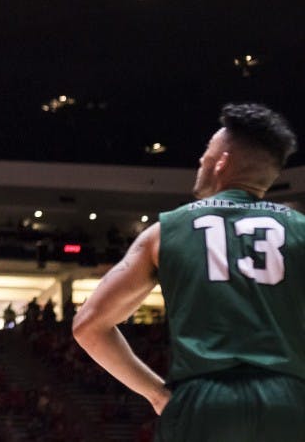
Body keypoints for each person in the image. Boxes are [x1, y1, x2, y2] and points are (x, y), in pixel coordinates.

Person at [73, 103, 304, 441]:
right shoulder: (300, 228)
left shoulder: (165, 232)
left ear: (221, 163)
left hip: (203, 400)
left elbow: (89, 326)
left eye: (206, 154)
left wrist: (157, 394)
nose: (200, 161)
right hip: (289, 401)